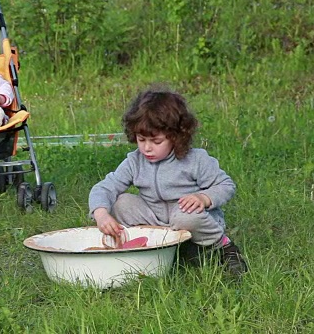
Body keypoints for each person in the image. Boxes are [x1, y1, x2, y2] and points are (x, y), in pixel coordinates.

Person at [88, 86, 248, 276]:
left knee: (185, 215)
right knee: (121, 203)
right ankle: (156, 248)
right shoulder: (134, 161)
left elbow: (226, 185)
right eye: (141, 140)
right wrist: (100, 214)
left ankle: (223, 248)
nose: (147, 148)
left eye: (156, 142)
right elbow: (106, 187)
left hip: (188, 216)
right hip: (156, 220)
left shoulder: (195, 160)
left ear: (175, 136)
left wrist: (203, 198)